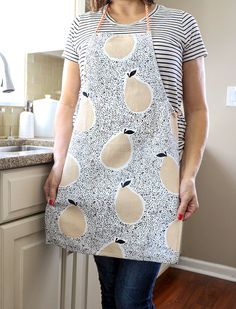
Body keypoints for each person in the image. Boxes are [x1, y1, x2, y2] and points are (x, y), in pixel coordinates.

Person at [44, 0, 209, 308]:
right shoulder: (82, 26)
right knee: (109, 293)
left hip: (156, 180)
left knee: (132, 300)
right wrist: (59, 164)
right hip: (94, 177)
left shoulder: (181, 23)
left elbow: (197, 109)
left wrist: (189, 177)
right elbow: (68, 104)